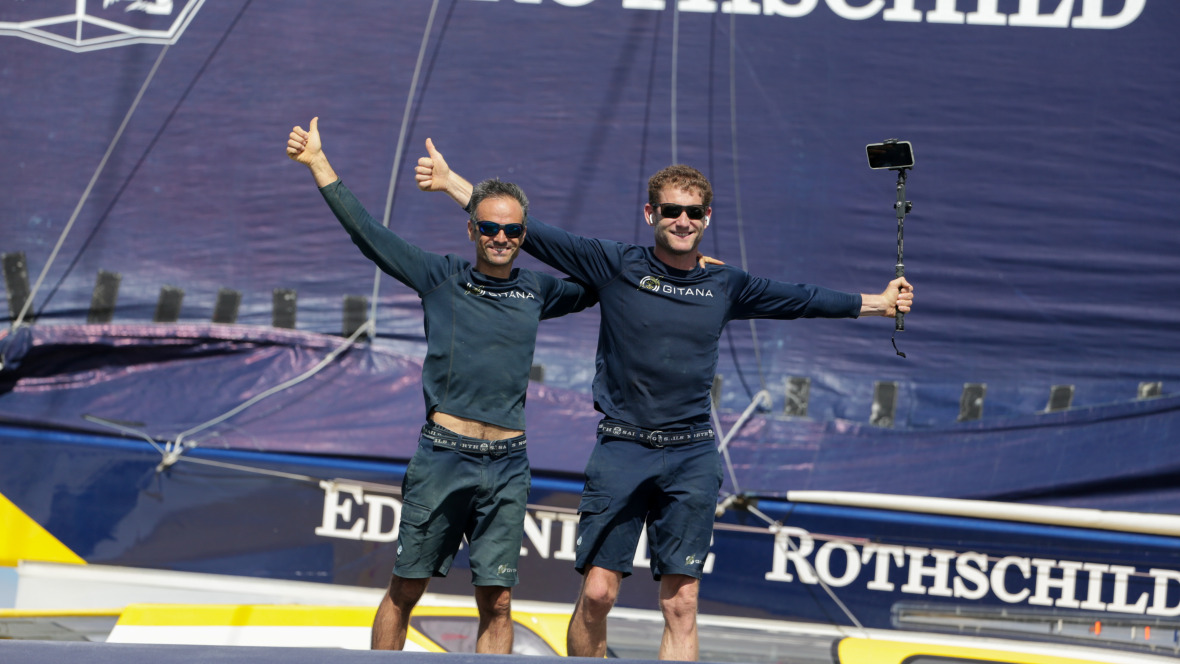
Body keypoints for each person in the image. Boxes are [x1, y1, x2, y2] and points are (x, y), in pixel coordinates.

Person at [415, 140, 914, 661]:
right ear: (650, 213)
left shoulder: (725, 282)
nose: (682, 221)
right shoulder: (615, 264)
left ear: (706, 218)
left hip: (691, 453)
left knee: (682, 603)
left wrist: (877, 304)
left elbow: (800, 299)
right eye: (672, 210)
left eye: (693, 213)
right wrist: (452, 184)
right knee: (598, 594)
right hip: (623, 448)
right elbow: (528, 231)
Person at [286, 118, 595, 654]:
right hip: (444, 457)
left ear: (524, 237)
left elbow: (604, 277)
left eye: (513, 231)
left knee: (498, 602)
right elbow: (368, 233)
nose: (501, 238)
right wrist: (318, 162)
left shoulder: (538, 290)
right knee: (406, 588)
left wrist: (682, 267)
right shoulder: (440, 276)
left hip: (508, 464)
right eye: (489, 227)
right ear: (471, 230)